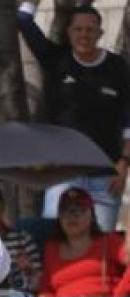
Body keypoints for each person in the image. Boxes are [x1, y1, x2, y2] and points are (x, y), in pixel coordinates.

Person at [17, 2, 130, 231]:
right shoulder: (55, 60)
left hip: (105, 177)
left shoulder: (118, 68)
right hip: (62, 173)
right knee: (55, 240)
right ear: (68, 32)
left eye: (90, 29)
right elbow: (23, 20)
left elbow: (128, 121)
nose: (84, 35)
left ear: (100, 33)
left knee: (101, 249)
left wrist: (124, 163)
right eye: (78, 29)